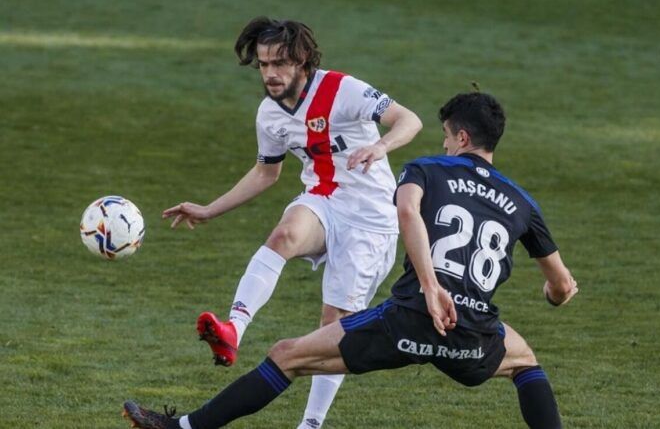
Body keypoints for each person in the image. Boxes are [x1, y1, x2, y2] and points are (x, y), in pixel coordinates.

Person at [125, 92, 579, 429]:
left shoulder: (427, 169)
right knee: (524, 364)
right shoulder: (523, 202)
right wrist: (551, 294)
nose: (443, 145)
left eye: (446, 137)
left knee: (287, 355)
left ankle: (182, 428)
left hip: (410, 318)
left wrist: (429, 285)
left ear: (461, 137)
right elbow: (562, 287)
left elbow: (405, 211)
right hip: (472, 332)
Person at [161, 17, 422, 429]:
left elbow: (410, 120)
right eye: (263, 65)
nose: (270, 74)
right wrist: (210, 209)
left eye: (279, 64)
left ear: (302, 60)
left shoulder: (343, 89)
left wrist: (380, 145)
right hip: (323, 200)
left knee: (332, 328)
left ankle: (311, 424)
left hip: (371, 221)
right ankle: (234, 330)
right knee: (283, 235)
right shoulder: (269, 114)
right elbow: (267, 173)